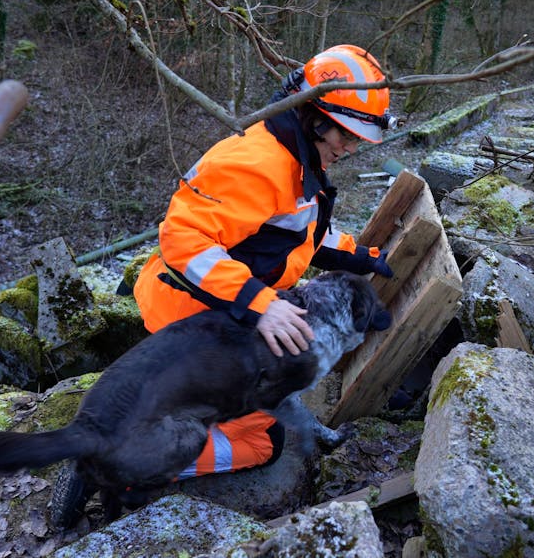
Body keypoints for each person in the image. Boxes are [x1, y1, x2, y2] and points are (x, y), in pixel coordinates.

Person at [132, 44, 397, 479]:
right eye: (345, 135)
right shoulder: (258, 165)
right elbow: (183, 239)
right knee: (261, 444)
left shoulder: (291, 158)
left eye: (356, 138)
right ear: (314, 117)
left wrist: (360, 255)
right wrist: (262, 304)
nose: (349, 148)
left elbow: (293, 233)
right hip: (193, 317)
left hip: (214, 308)